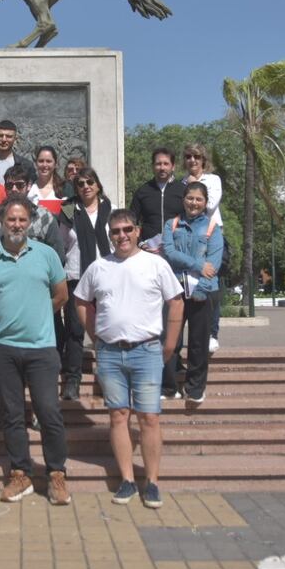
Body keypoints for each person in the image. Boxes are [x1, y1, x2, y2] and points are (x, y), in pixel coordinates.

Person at [75, 209, 184, 509]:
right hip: (110, 352)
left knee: (149, 417)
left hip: (147, 350)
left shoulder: (155, 264)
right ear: (109, 236)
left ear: (137, 231)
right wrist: (95, 335)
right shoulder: (99, 267)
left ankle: (152, 482)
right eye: (115, 231)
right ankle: (126, 480)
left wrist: (170, 345)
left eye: (127, 229)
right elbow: (81, 300)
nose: (121, 236)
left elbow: (175, 302)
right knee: (118, 416)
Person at [0, 198, 71, 505]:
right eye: (11, 220)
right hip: (2, 349)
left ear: (30, 223)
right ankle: (20, 473)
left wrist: (36, 314)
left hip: (41, 348)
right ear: (1, 222)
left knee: (49, 411)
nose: (16, 225)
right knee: (12, 415)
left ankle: (56, 474)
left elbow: (61, 296)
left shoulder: (47, 255)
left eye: (22, 220)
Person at [0, 164, 65, 361]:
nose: (14, 189)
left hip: (40, 293)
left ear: (29, 186)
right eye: (9, 185)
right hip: (2, 295)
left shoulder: (45, 217)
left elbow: (57, 255)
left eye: (19, 185)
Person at [161, 182, 224, 405]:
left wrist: (201, 287)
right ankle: (168, 386)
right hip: (175, 291)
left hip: (202, 292)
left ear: (206, 203)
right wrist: (197, 263)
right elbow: (169, 252)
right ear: (183, 200)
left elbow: (213, 264)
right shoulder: (172, 224)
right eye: (190, 198)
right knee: (171, 341)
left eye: (199, 199)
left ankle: (195, 388)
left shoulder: (213, 228)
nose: (194, 203)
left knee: (198, 343)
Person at [57, 167, 112, 400]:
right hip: (76, 275)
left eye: (90, 182)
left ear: (98, 185)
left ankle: (109, 375)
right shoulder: (68, 209)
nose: (86, 186)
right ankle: (72, 379)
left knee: (108, 328)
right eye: (80, 183)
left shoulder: (112, 210)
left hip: (107, 275)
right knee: (75, 330)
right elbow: (60, 244)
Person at [182, 143, 224, 354]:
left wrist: (195, 185)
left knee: (211, 281)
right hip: (188, 235)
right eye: (188, 156)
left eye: (196, 157)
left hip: (211, 234)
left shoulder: (213, 180)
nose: (192, 160)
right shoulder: (181, 182)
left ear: (203, 160)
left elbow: (209, 205)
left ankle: (212, 333)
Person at [130, 148, 186, 250]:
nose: (162, 167)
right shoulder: (142, 192)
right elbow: (131, 221)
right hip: (149, 250)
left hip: (177, 249)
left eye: (166, 164)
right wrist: (140, 243)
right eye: (158, 164)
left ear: (173, 166)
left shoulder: (183, 190)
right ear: (152, 166)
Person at [28, 145, 64, 215]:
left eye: (48, 161)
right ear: (36, 164)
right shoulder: (29, 188)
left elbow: (70, 216)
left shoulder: (65, 188)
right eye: (41, 161)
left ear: (55, 164)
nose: (44, 165)